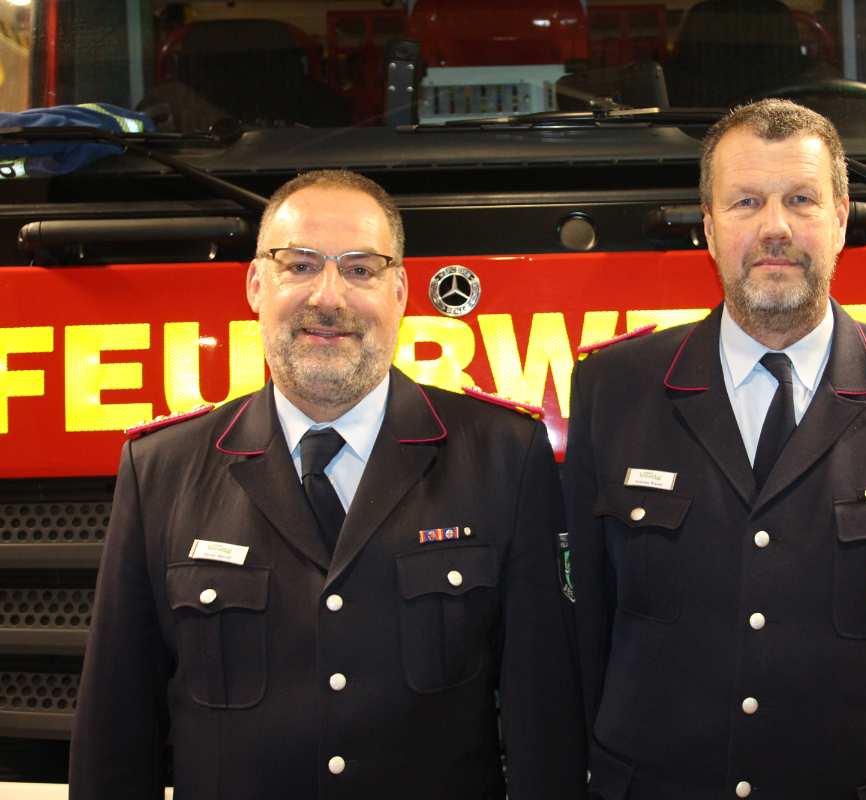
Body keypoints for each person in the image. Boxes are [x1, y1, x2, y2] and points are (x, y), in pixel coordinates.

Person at [70, 170, 587, 800]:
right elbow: (115, 736)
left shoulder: (505, 455)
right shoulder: (159, 472)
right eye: (300, 264)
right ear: (257, 285)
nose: (329, 298)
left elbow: (544, 723)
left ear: (400, 292)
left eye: (362, 269)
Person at [565, 99, 866, 799]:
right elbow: (581, 641)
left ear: (841, 220)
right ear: (710, 229)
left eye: (801, 200)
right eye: (746, 202)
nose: (775, 228)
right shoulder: (612, 389)